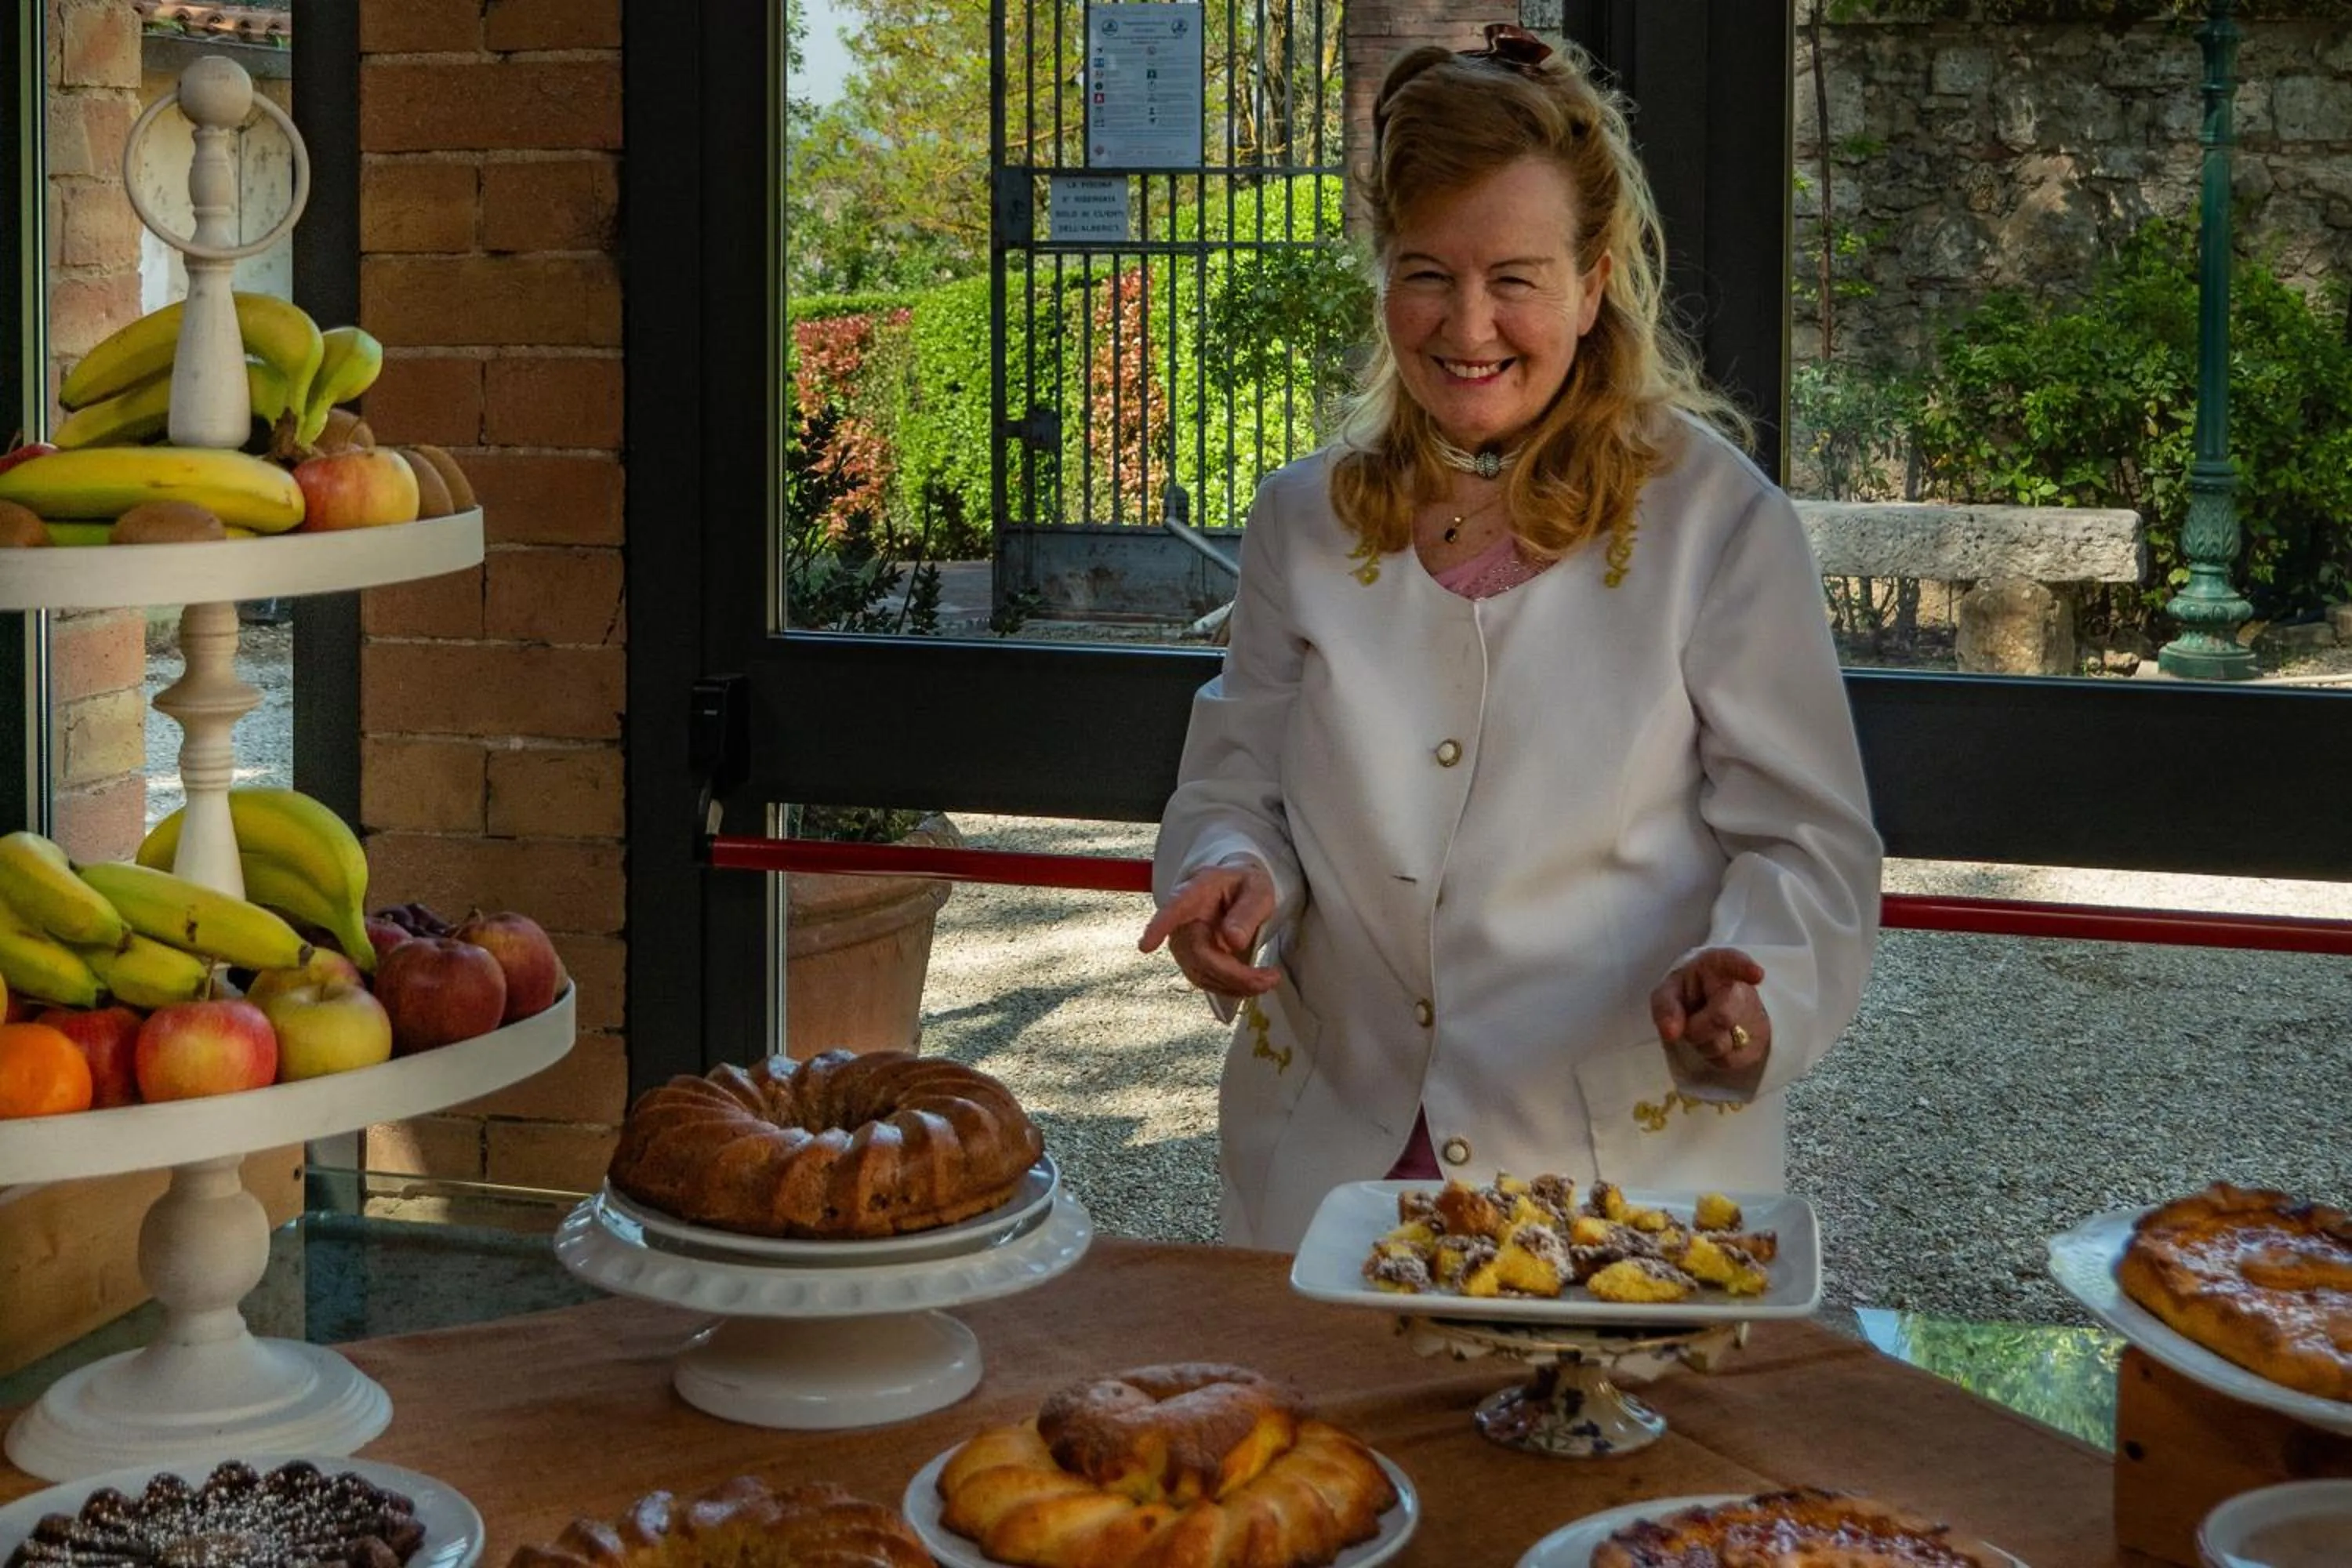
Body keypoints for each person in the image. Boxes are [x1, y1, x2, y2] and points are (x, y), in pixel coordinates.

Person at [1138, 25, 1882, 1251]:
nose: (1466, 323)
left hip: (1619, 1188)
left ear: (1594, 284)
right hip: (1327, 1175)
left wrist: (1756, 987)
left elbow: (1808, 845)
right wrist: (1232, 874)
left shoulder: (1716, 522)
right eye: (1427, 271)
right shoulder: (1300, 522)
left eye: (1516, 278)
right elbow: (1239, 783)